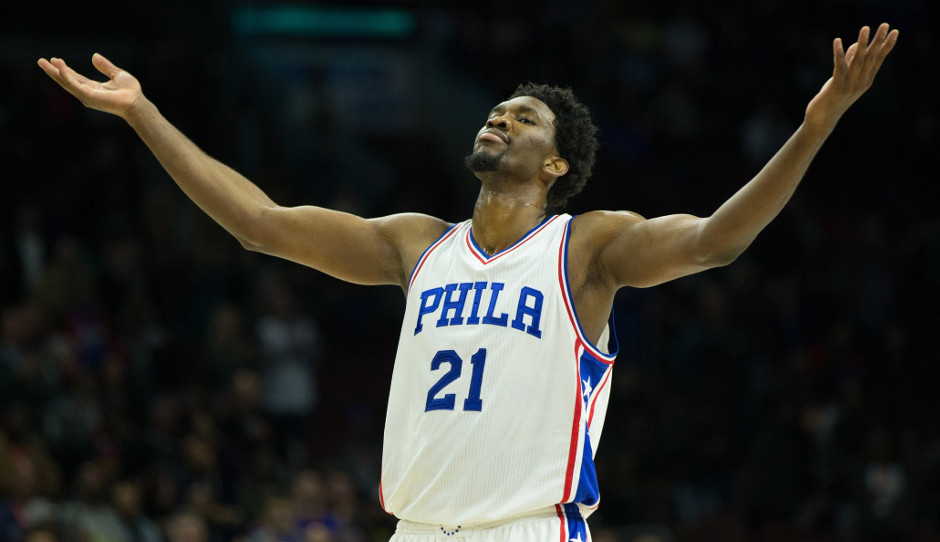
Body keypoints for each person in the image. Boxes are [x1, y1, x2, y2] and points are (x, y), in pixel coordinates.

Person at [38, 21, 899, 541]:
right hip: (415, 528)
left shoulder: (585, 248)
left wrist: (814, 124)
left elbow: (715, 242)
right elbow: (260, 225)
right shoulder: (417, 245)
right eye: (498, 109)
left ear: (556, 161)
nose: (499, 116)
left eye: (523, 118)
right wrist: (143, 113)